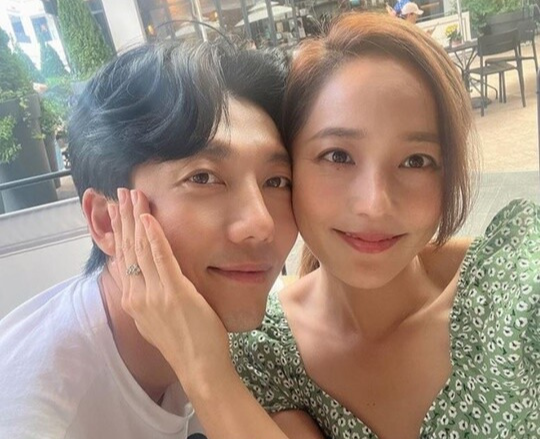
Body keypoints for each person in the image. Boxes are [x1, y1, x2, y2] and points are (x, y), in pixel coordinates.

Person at [114, 12, 539, 439]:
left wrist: (203, 370)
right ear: (290, 171)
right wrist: (205, 368)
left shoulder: (515, 287)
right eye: (338, 156)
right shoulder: (267, 353)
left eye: (416, 161)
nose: (374, 204)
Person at [0, 41, 301, 438]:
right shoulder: (32, 415)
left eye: (276, 181)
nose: (262, 224)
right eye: (203, 178)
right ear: (107, 222)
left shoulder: (266, 333)